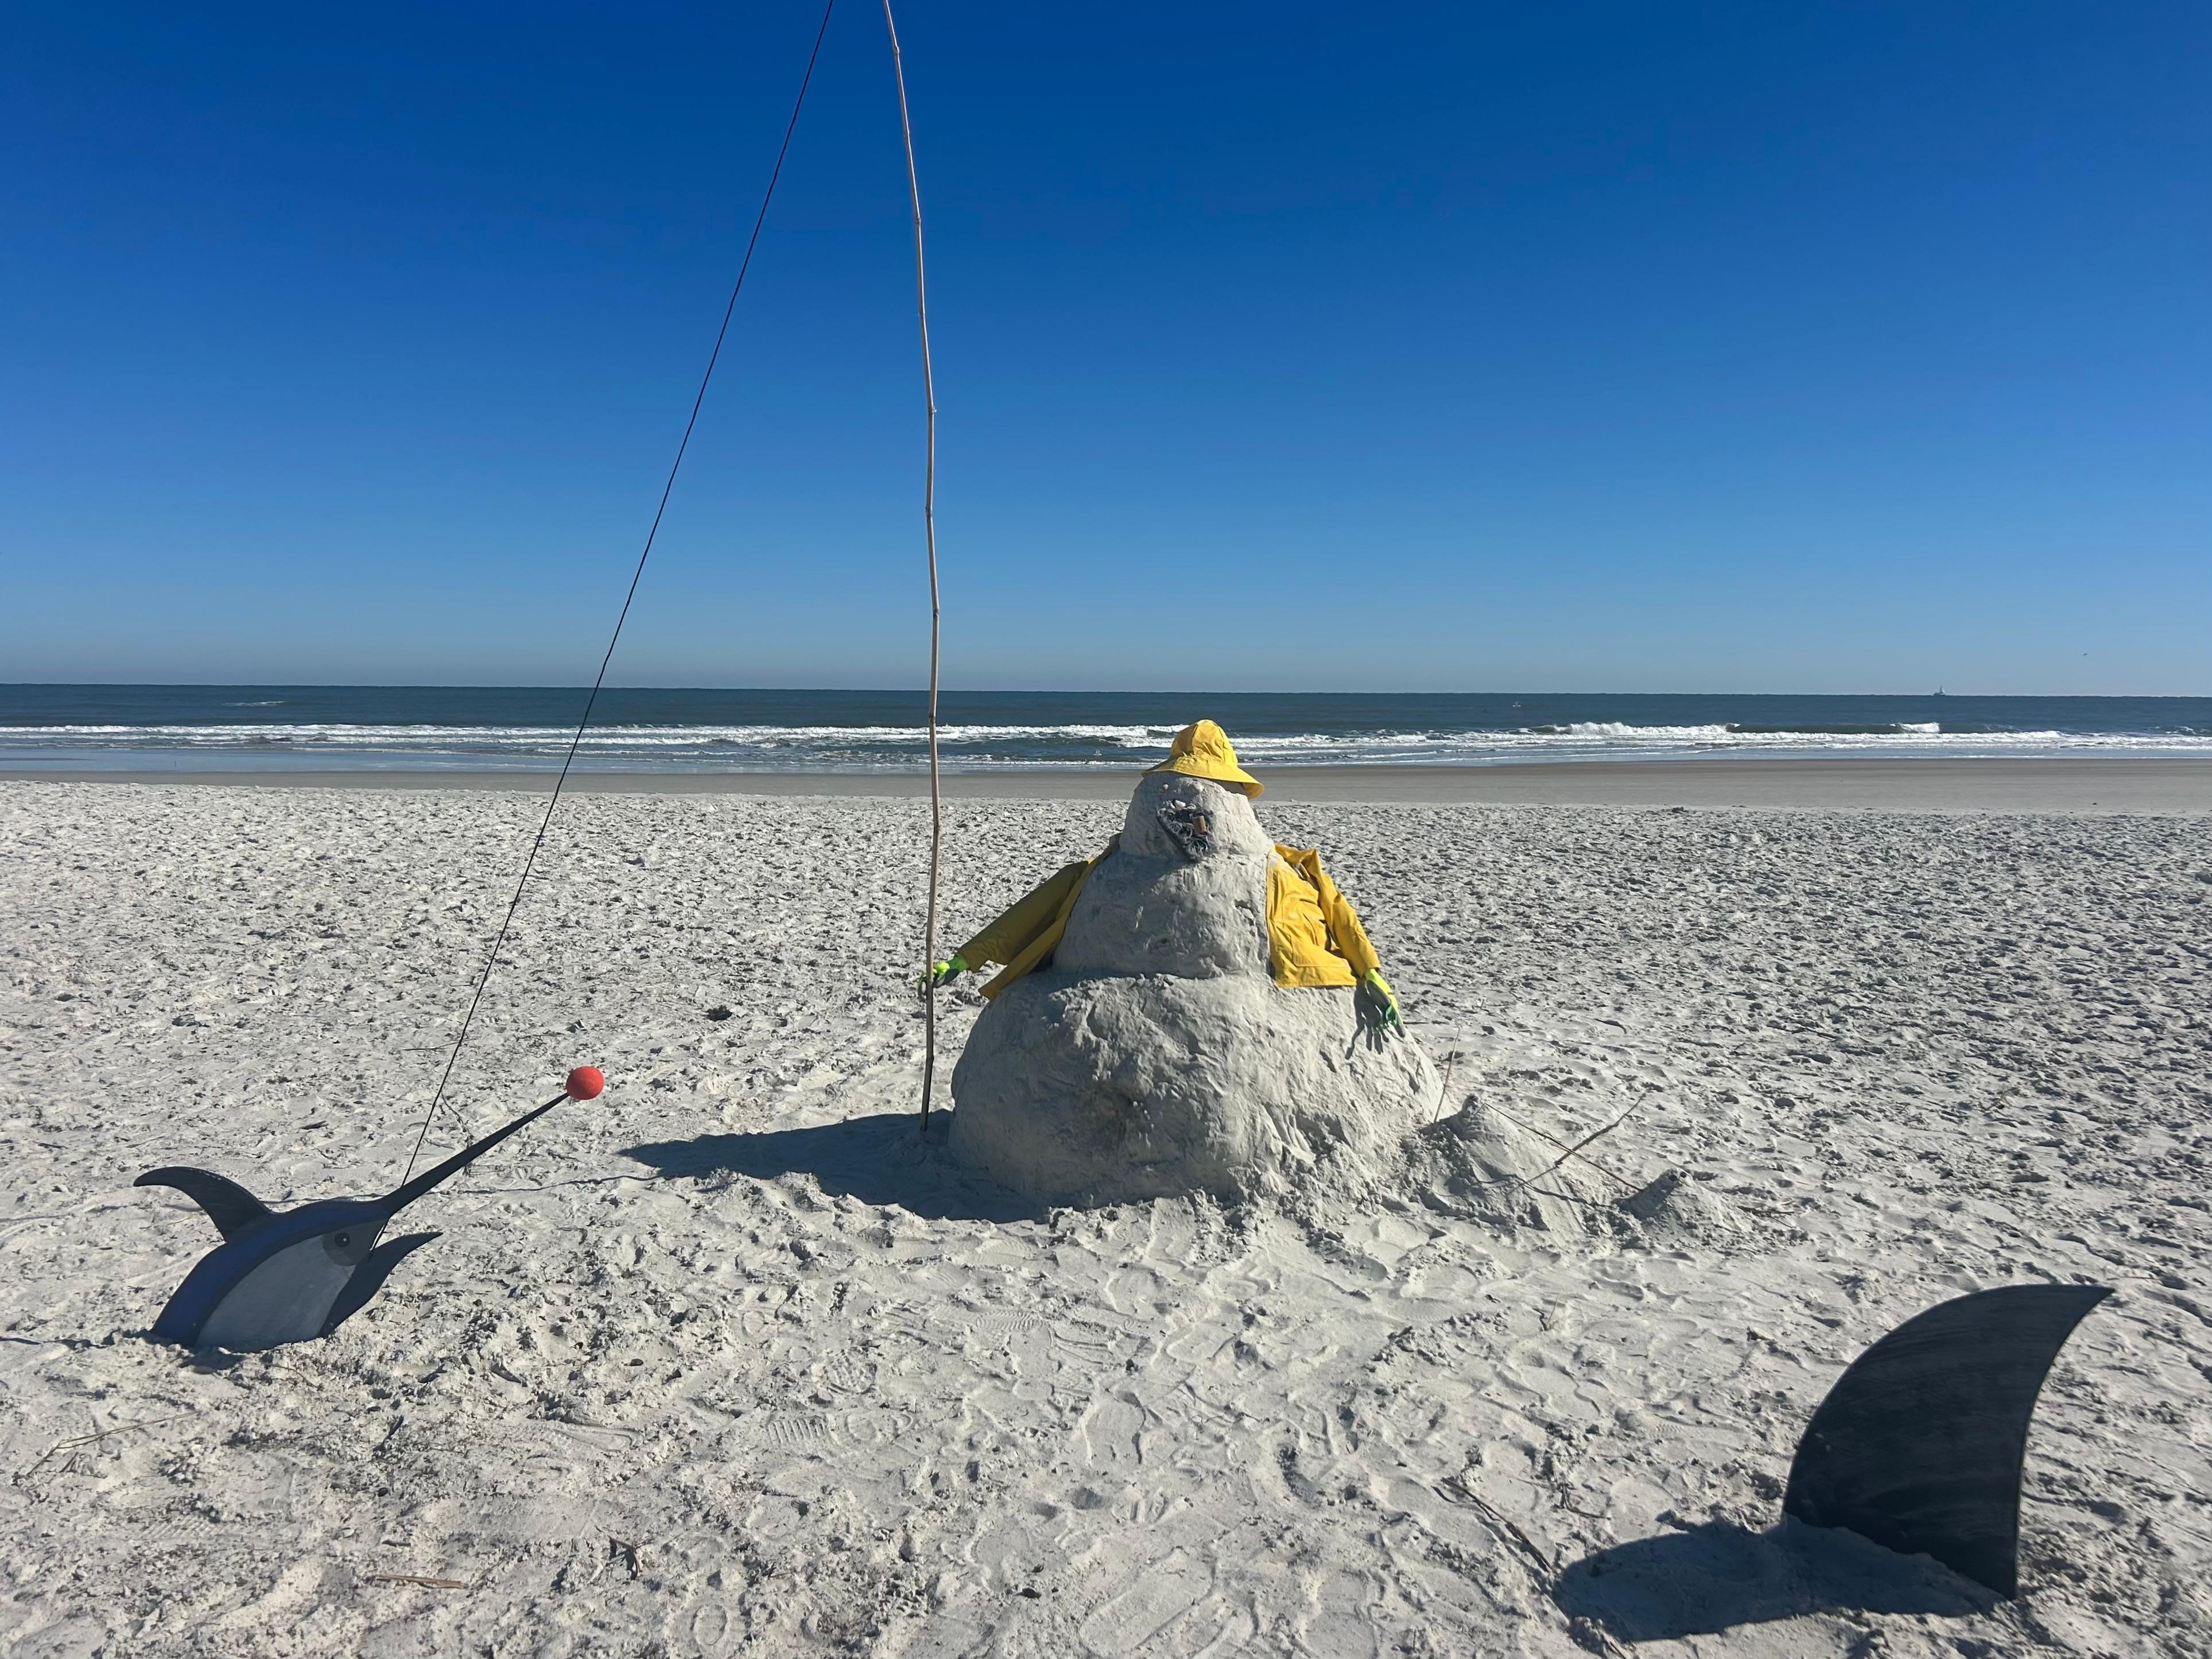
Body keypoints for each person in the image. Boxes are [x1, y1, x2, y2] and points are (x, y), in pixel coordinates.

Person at [923, 720, 1403, 1036]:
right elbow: (1033, 910)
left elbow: (1337, 912)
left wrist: (1370, 972)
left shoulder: (1286, 873)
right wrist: (967, 958)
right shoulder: (1099, 875)